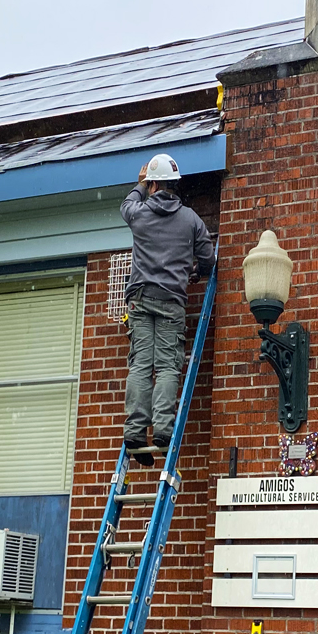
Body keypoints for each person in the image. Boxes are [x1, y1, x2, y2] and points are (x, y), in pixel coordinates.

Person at [118, 154, 215, 466]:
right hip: (172, 301)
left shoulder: (139, 213)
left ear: (154, 184)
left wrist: (140, 183)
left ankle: (134, 431)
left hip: (141, 299)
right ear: (176, 185)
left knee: (141, 365)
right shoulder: (191, 220)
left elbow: (125, 206)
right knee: (169, 367)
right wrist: (196, 270)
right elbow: (209, 257)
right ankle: (162, 430)